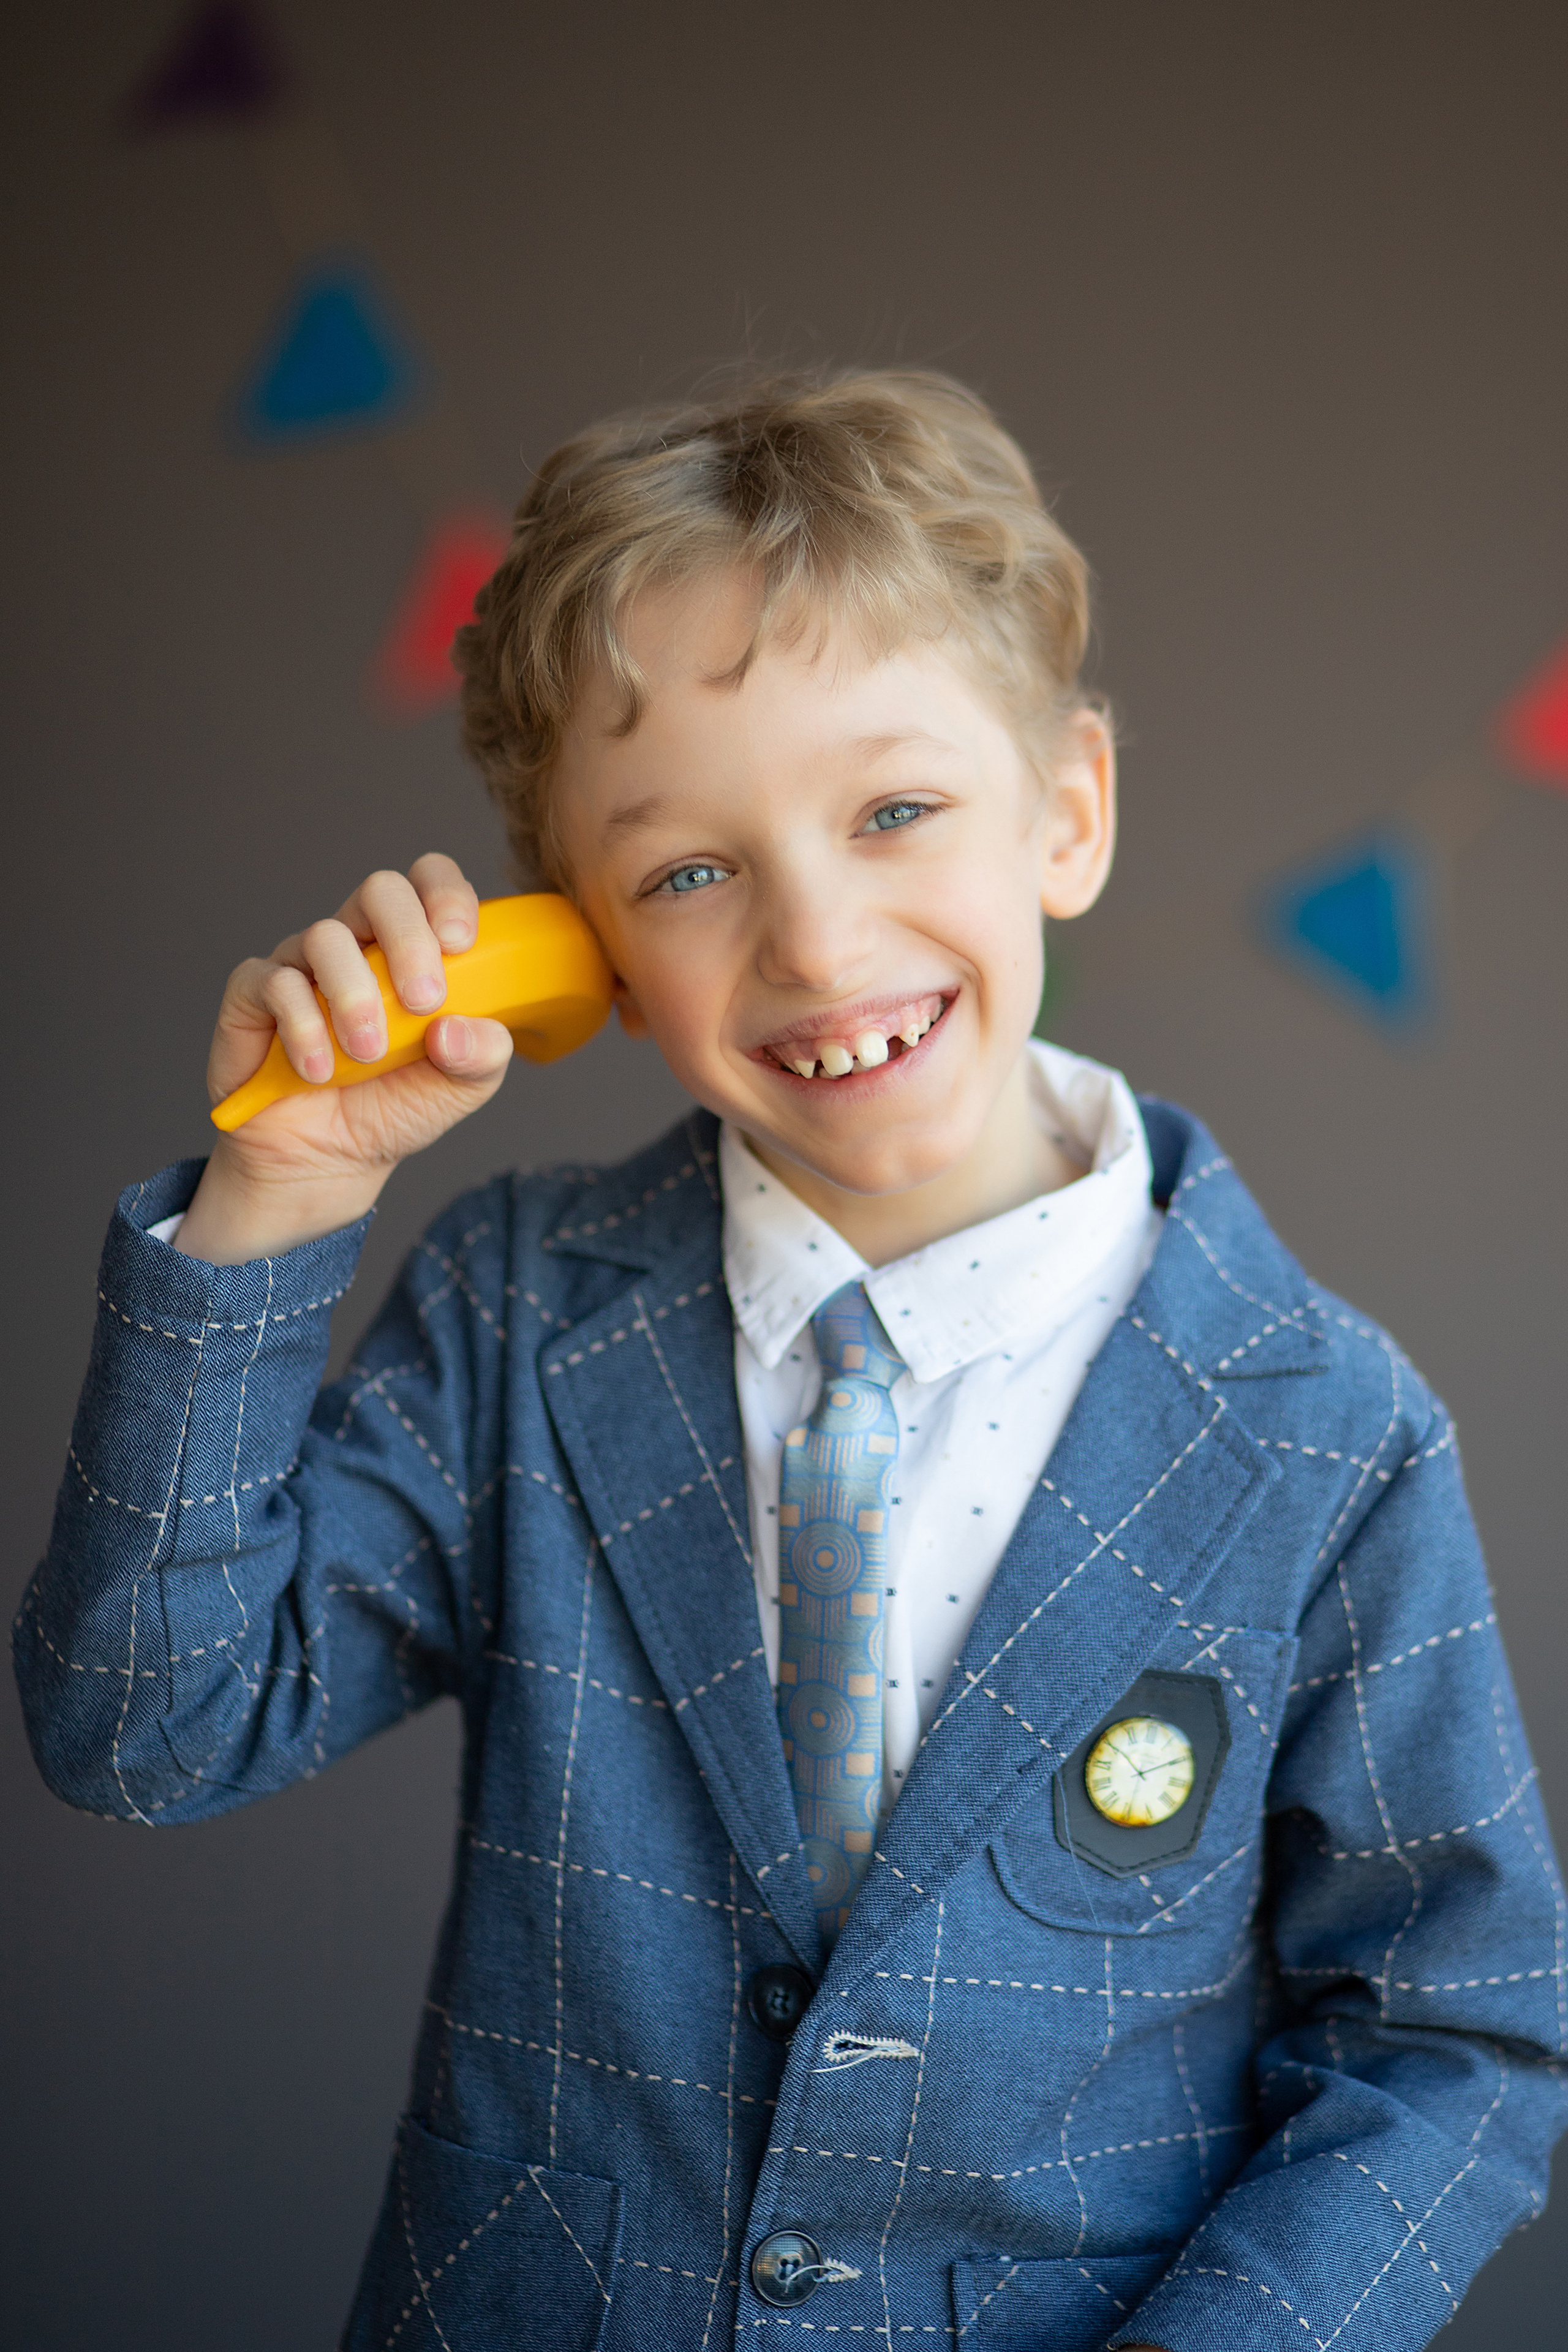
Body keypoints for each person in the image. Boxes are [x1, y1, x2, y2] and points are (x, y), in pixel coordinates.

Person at [15, 371, 1565, 2352]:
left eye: (896, 810)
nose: (820, 946)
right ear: (576, 942)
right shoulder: (519, 1307)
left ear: (1067, 813)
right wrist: (273, 1198)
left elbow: (1451, 2034)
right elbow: (145, 1725)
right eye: (687, 873)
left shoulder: (1329, 1431)